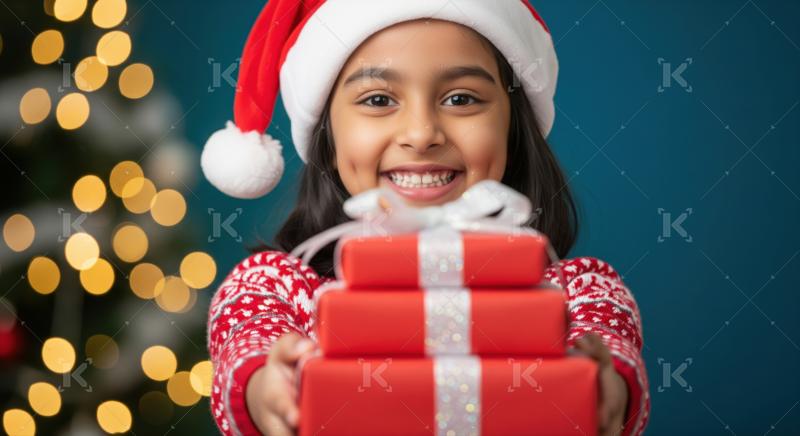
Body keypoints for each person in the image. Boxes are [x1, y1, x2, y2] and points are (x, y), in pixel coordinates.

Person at [201, 1, 650, 435]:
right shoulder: (274, 286)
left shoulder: (574, 290)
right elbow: (248, 346)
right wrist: (270, 389)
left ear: (513, 126)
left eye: (460, 99)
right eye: (378, 99)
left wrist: (607, 390)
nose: (421, 134)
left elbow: (610, 348)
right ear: (329, 133)